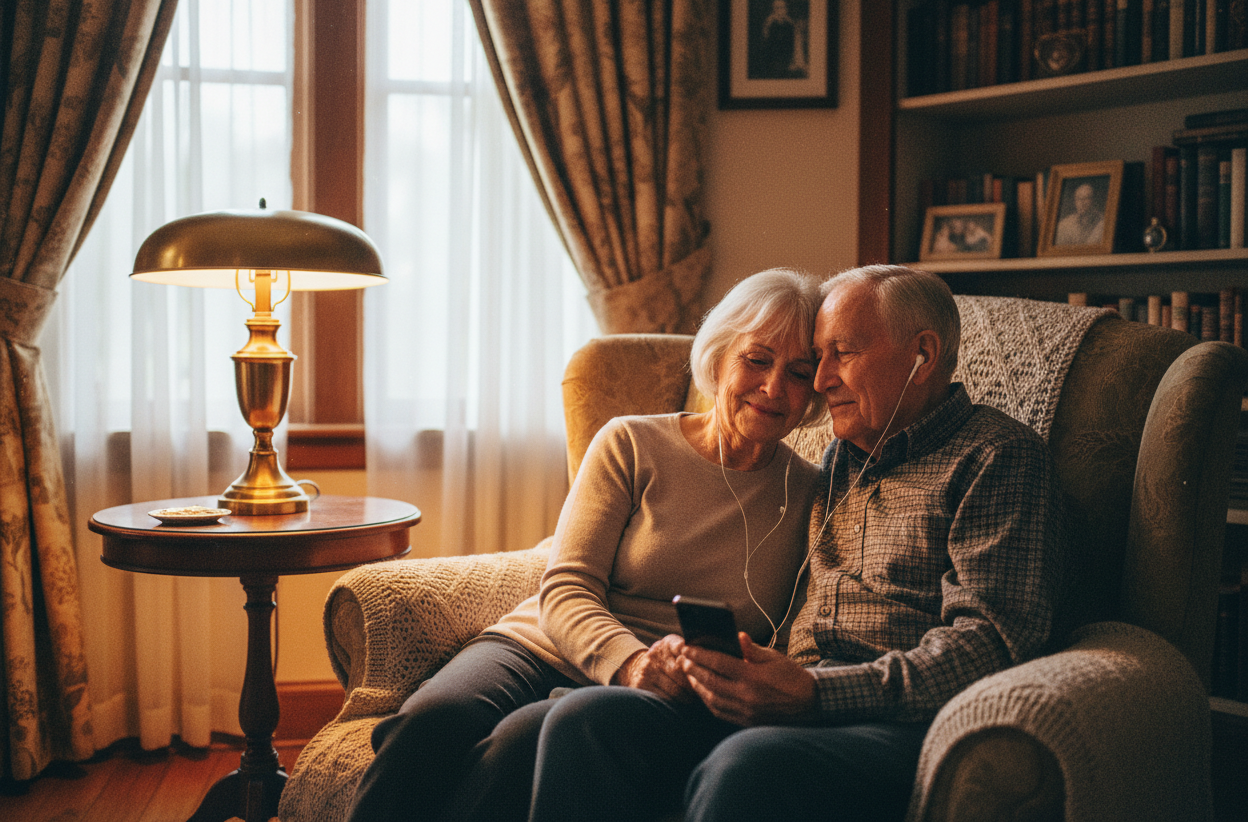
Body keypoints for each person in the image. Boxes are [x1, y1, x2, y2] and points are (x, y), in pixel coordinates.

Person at [527, 265, 1067, 822]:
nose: (821, 379)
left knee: (744, 767)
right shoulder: (841, 461)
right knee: (588, 721)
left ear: (922, 356)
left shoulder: (996, 459)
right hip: (784, 694)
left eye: (842, 354)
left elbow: (993, 642)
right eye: (821, 358)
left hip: (887, 718)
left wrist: (814, 695)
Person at [344, 267, 827, 822]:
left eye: (798, 372)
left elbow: (790, 633)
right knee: (430, 723)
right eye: (757, 359)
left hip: (661, 694)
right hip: (543, 647)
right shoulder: (632, 442)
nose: (773, 388)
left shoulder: (812, 493)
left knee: (517, 748)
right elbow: (567, 586)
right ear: (720, 356)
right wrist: (631, 662)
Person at [1054, 181, 1104, 246]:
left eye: (1086, 198)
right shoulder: (1064, 225)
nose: (1082, 202)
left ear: (1093, 200)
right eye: (1078, 199)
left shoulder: (1103, 224)